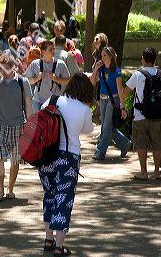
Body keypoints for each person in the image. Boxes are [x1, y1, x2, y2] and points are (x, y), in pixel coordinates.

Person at [39, 73, 95, 257]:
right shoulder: (84, 109)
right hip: (68, 158)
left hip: (47, 156)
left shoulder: (52, 100)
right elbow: (88, 130)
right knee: (64, 199)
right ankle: (59, 246)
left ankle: (48, 239)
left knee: (49, 195)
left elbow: (40, 118)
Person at [0, 53, 33, 202]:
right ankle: (0, 190)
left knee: (15, 161)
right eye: (0, 68)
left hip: (18, 126)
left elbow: (28, 106)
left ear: (13, 68)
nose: (1, 72)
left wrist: (29, 128)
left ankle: (11, 189)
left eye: (5, 69)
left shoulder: (23, 82)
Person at [123, 47, 161, 180]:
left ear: (143, 58)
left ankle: (143, 172)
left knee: (141, 143)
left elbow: (126, 92)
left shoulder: (138, 73)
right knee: (157, 143)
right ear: (155, 59)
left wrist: (122, 106)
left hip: (140, 114)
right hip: (157, 115)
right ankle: (156, 172)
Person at [90, 47, 131, 160]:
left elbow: (119, 89)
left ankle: (100, 151)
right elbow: (92, 82)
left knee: (106, 127)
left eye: (105, 56)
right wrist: (96, 69)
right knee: (106, 126)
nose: (102, 58)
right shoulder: (101, 69)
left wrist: (122, 106)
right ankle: (125, 143)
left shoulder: (116, 71)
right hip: (102, 100)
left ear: (111, 57)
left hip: (112, 101)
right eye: (101, 56)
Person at [25, 40, 70, 113]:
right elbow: (27, 80)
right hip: (38, 102)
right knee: (37, 124)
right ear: (43, 52)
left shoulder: (60, 64)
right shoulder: (35, 64)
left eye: (53, 49)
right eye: (50, 49)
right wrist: (36, 78)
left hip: (54, 102)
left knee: (52, 124)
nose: (53, 51)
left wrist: (56, 79)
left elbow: (68, 81)